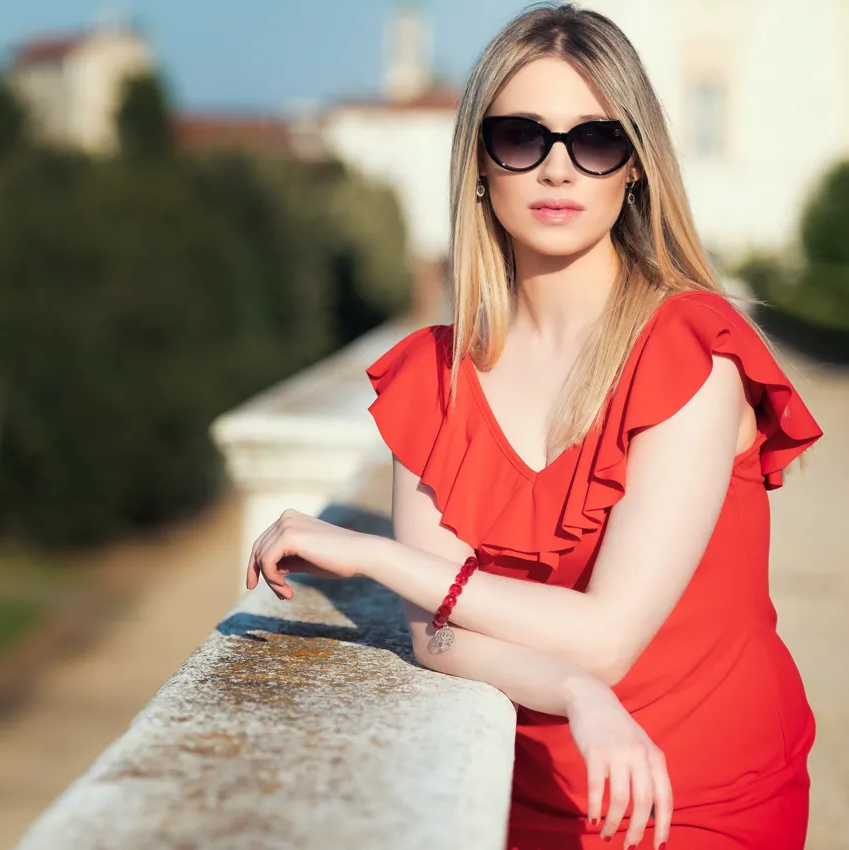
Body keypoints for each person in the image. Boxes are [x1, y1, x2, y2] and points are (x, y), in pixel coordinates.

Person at [244, 4, 824, 849]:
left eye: (596, 140)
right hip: (516, 789)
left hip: (700, 796)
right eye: (523, 137)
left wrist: (374, 555)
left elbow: (608, 639)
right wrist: (577, 694)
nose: (559, 169)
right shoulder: (435, 378)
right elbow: (438, 640)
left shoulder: (693, 354)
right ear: (480, 162)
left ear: (635, 169)